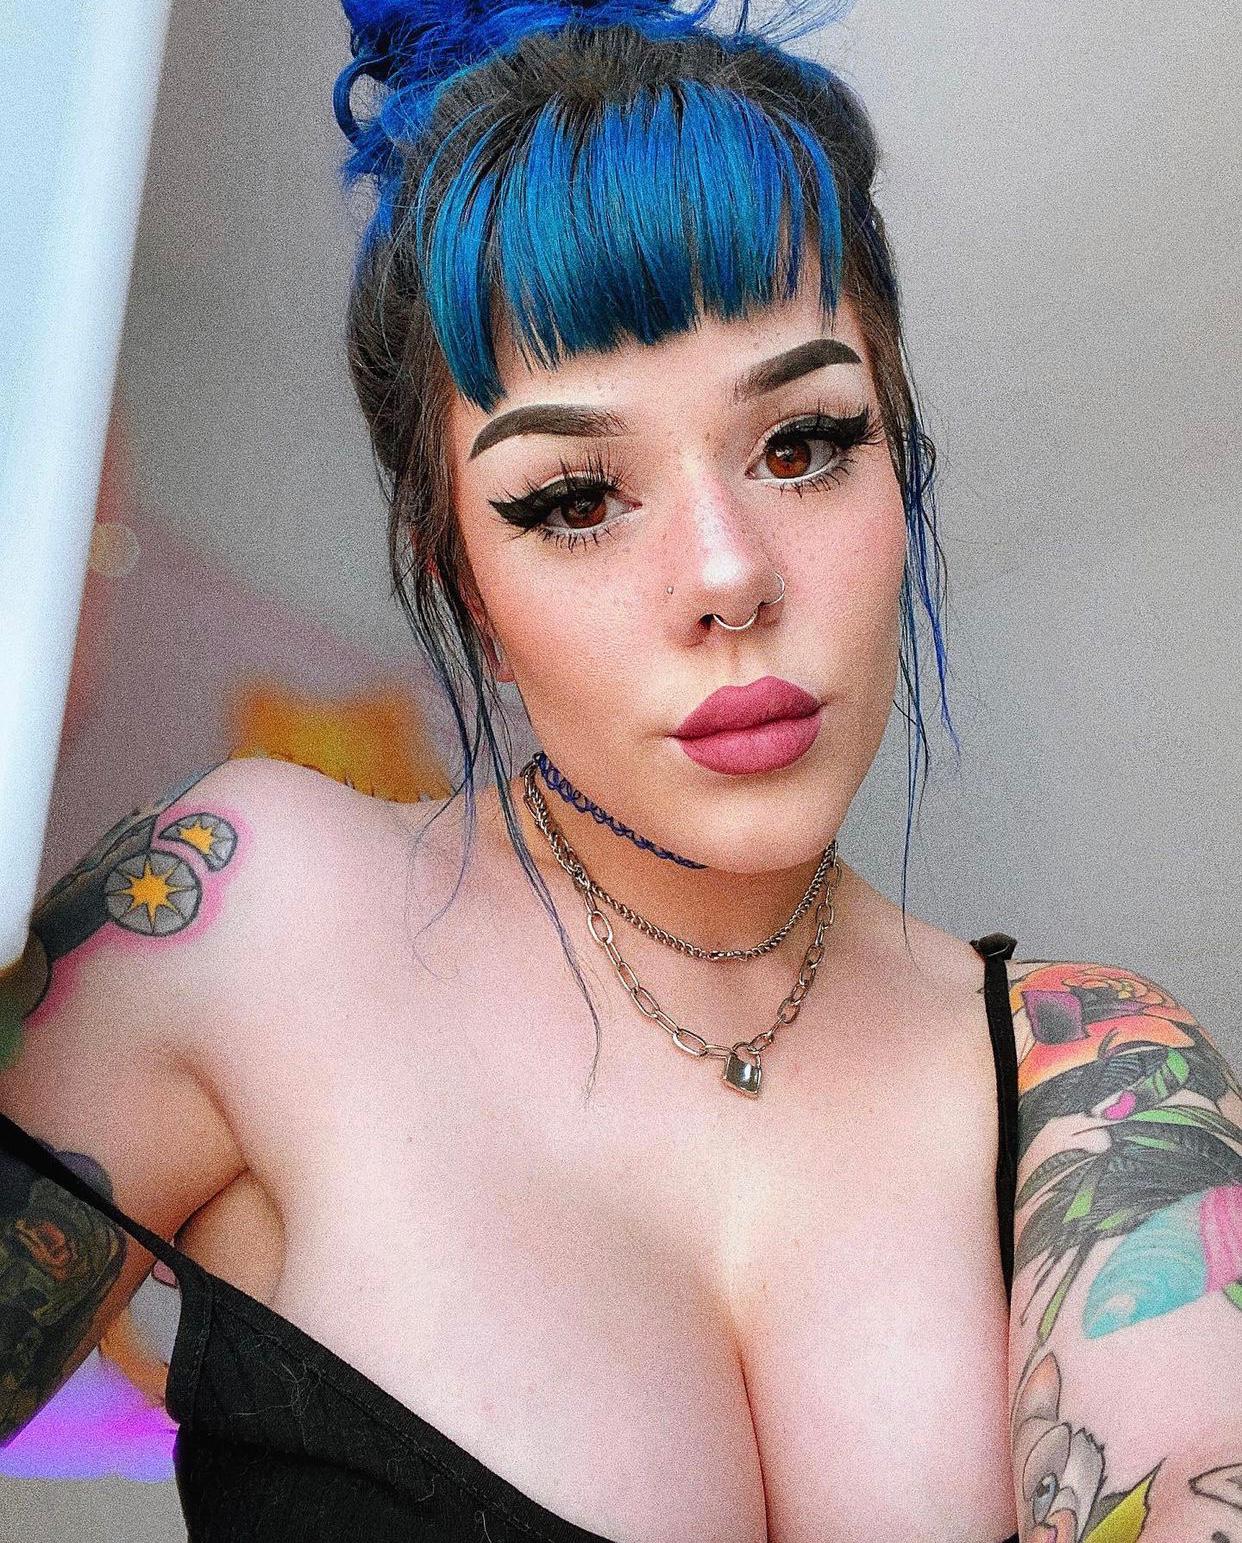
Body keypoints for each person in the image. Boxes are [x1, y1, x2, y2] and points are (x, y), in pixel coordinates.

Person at [2, 2, 1240, 1539]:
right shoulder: (242, 924)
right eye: (575, 498)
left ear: (902, 463)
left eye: (802, 443)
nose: (727, 573)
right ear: (460, 580)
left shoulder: (1099, 1081)